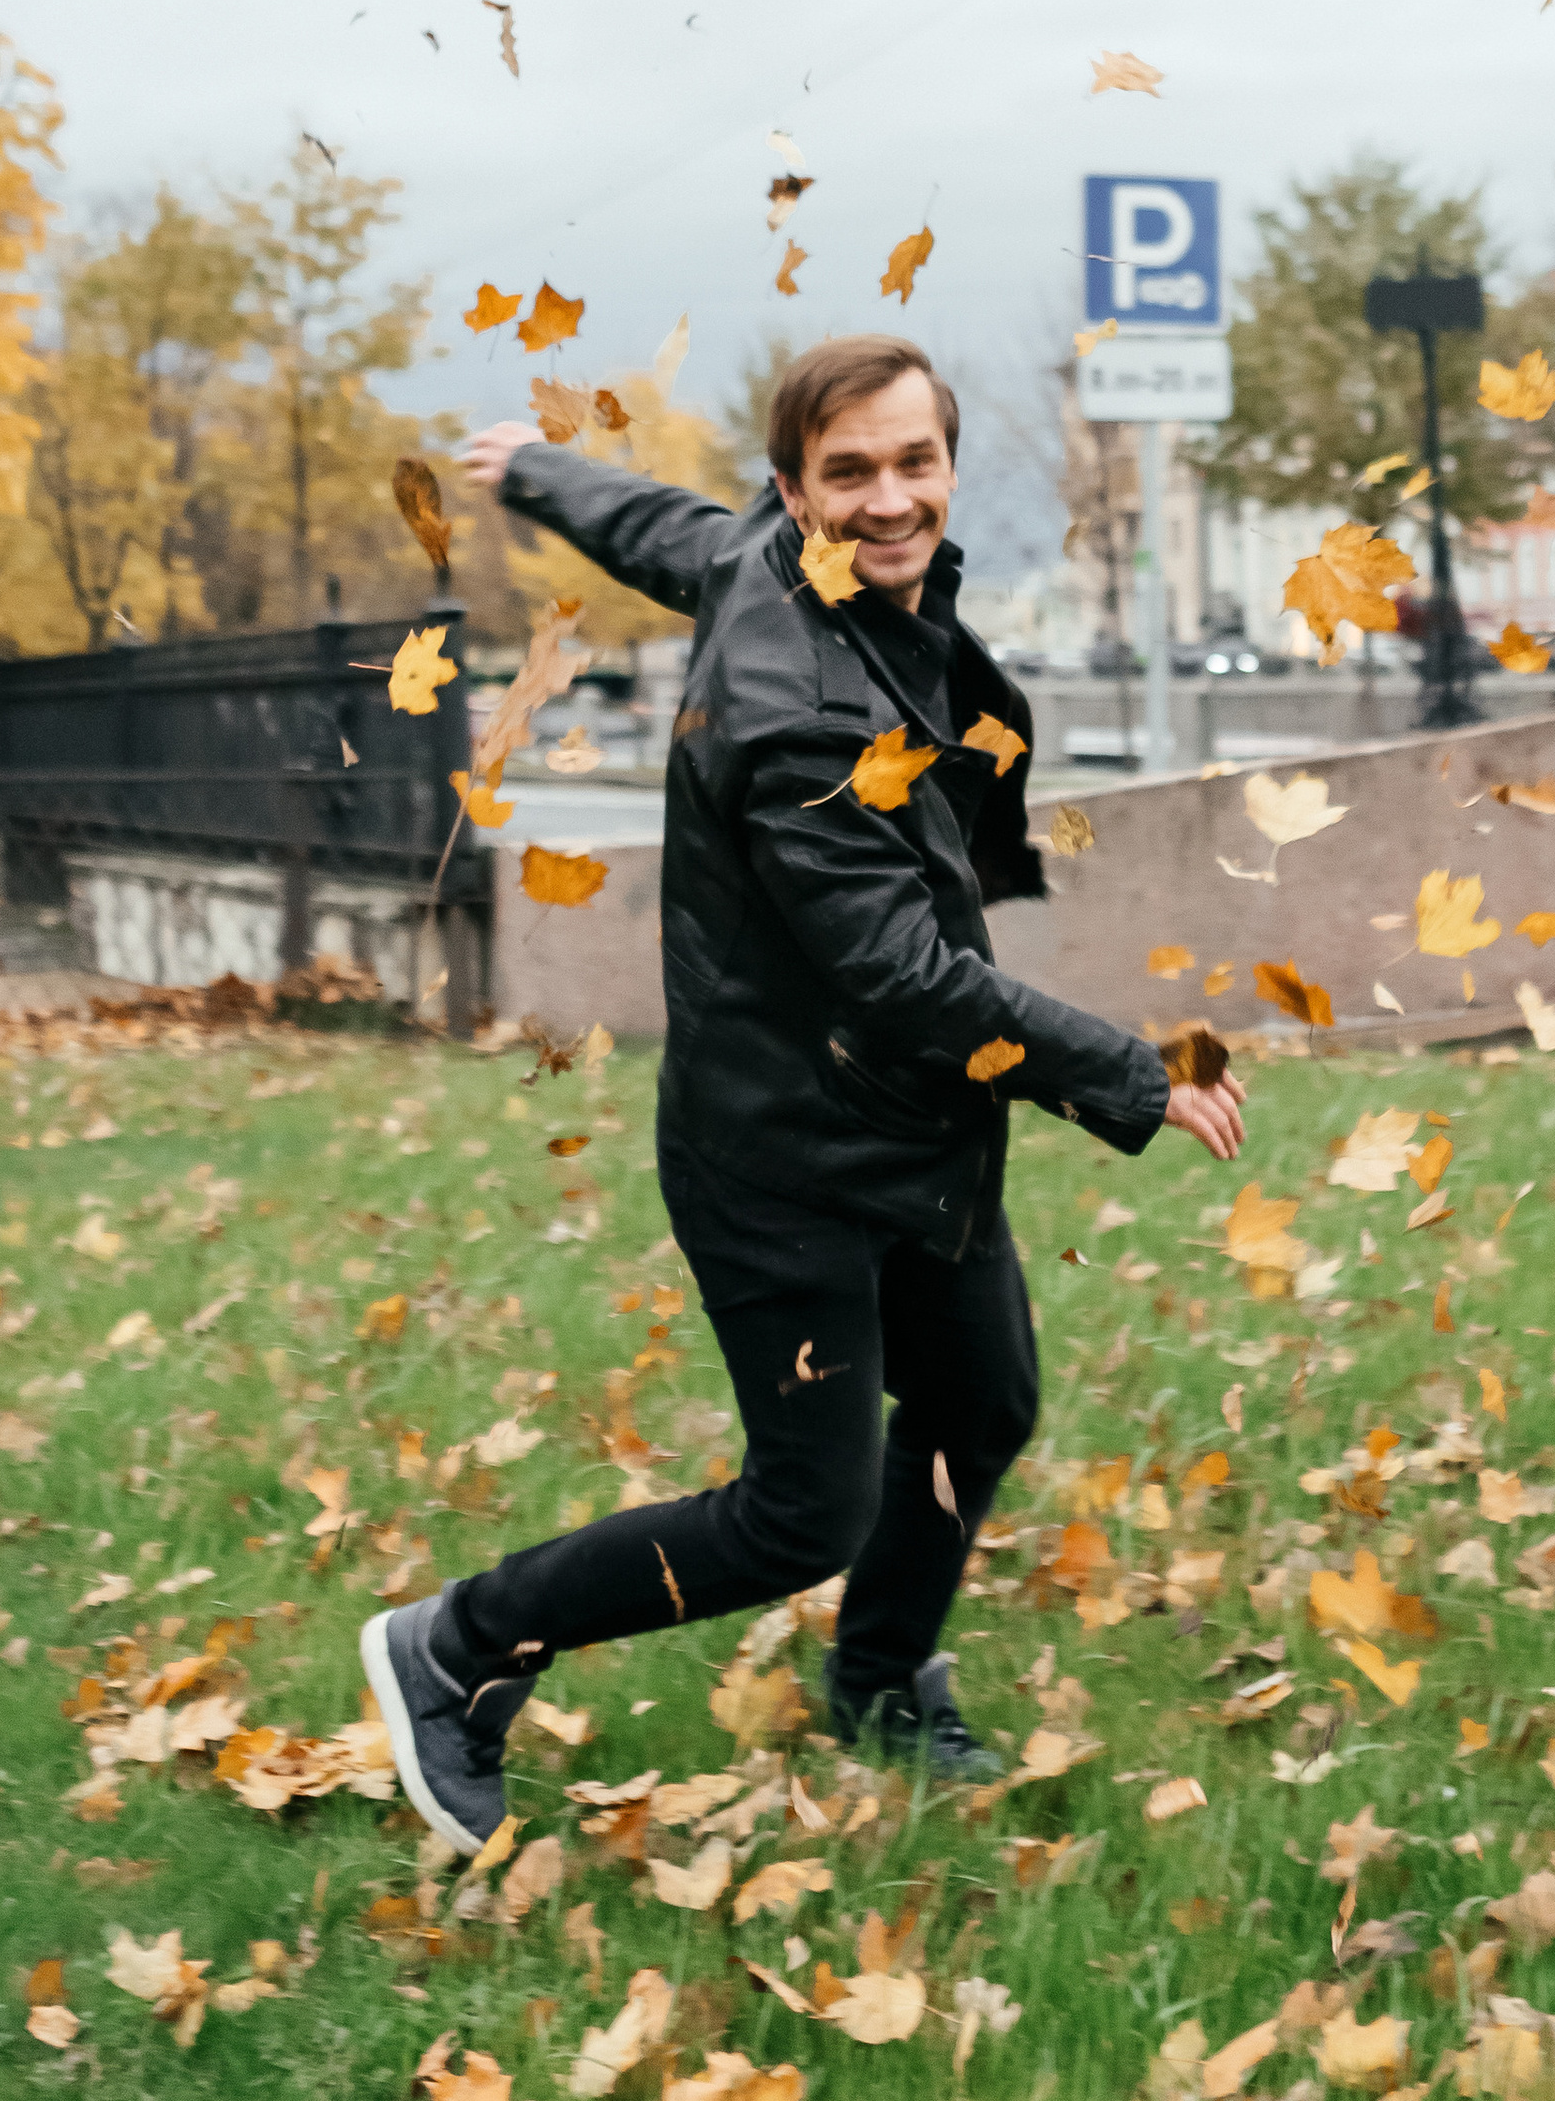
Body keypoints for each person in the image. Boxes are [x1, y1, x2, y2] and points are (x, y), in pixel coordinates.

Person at [360, 332, 1246, 1851]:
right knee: (801, 1513)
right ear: (799, 486)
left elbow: (668, 530)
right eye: (853, 474)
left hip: (910, 1122)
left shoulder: (785, 557)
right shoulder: (793, 713)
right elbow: (904, 976)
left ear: (948, 466)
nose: (891, 499)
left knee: (982, 1401)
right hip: (785, 1161)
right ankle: (455, 1646)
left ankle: (883, 1678)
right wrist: (1126, 1073)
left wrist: (544, 472)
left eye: (916, 463)